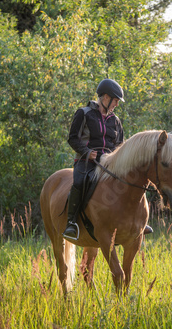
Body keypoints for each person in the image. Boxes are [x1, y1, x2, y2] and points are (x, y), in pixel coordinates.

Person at [63, 79, 153, 242]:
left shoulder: (115, 120)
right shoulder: (83, 113)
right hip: (87, 162)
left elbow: (119, 144)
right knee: (79, 182)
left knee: (131, 181)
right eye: (116, 101)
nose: (116, 105)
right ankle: (72, 223)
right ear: (105, 97)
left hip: (111, 163)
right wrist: (86, 151)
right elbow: (72, 139)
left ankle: (138, 221)